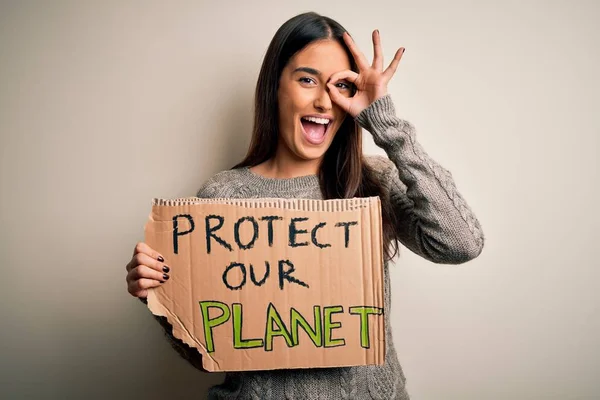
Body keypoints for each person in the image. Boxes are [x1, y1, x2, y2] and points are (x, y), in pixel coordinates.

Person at [125, 11, 484, 400]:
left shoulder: (372, 181)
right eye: (307, 79)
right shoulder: (223, 196)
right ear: (275, 87)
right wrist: (163, 297)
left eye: (339, 86)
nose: (323, 100)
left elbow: (461, 242)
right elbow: (210, 352)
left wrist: (385, 123)